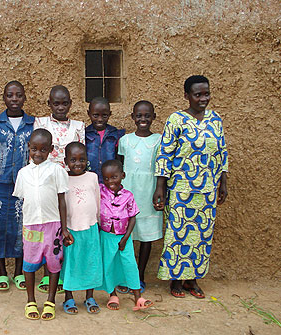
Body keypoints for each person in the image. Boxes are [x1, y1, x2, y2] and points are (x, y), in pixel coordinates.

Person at [153, 75, 228, 299]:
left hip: (207, 189)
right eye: (198, 94)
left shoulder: (215, 120)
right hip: (181, 188)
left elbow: (221, 152)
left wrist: (223, 182)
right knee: (178, 235)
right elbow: (164, 154)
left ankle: (192, 280)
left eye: (206, 94)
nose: (203, 98)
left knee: (202, 235)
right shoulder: (176, 120)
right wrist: (160, 187)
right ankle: (176, 280)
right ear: (187, 96)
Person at [12, 129, 70, 320]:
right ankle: (30, 301)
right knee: (29, 263)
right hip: (31, 225)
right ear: (29, 147)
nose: (38, 153)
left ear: (51, 150)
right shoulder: (23, 173)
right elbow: (22, 200)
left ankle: (50, 301)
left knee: (54, 263)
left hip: (53, 226)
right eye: (34, 149)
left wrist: (65, 227)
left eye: (43, 149)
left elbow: (62, 201)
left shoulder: (57, 171)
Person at [33, 85, 84, 293]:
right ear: (49, 104)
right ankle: (48, 275)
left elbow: (81, 155)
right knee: (49, 229)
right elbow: (35, 153)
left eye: (65, 103)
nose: (61, 107)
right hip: (46, 184)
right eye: (56, 103)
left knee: (67, 227)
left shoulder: (79, 126)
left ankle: (65, 274)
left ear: (71, 104)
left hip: (70, 185)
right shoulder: (41, 123)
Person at [0, 81, 34, 291]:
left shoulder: (33, 123)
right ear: (3, 97)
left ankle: (18, 273)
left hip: (25, 183)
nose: (14, 99)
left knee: (21, 225)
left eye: (19, 95)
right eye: (10, 95)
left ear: (24, 98)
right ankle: (2, 273)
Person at [116, 100, 163, 294]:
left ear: (153, 117)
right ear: (133, 117)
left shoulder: (159, 140)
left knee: (145, 237)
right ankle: (126, 276)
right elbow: (120, 167)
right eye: (139, 115)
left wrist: (160, 190)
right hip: (129, 192)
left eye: (147, 115)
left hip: (149, 192)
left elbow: (162, 167)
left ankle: (140, 275)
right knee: (125, 236)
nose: (143, 119)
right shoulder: (125, 141)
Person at [96, 160, 154, 311]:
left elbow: (133, 217)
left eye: (114, 177)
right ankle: (112, 295)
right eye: (106, 178)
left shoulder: (128, 196)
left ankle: (138, 297)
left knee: (130, 265)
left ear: (122, 175)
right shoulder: (100, 192)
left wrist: (126, 237)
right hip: (106, 236)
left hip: (124, 237)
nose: (110, 181)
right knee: (107, 265)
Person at [60, 142, 102, 314]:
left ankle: (89, 296)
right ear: (65, 161)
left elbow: (98, 200)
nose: (78, 164)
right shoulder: (63, 178)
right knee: (71, 263)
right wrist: (63, 228)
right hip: (71, 229)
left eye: (82, 159)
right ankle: (68, 297)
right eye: (73, 160)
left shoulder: (92, 177)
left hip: (91, 227)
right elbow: (61, 203)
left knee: (90, 261)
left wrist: (98, 222)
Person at [85, 97, 125, 183]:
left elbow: (119, 159)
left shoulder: (116, 134)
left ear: (110, 114)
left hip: (110, 181)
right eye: (95, 115)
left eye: (104, 116)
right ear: (89, 113)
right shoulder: (84, 134)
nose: (100, 119)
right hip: (90, 180)